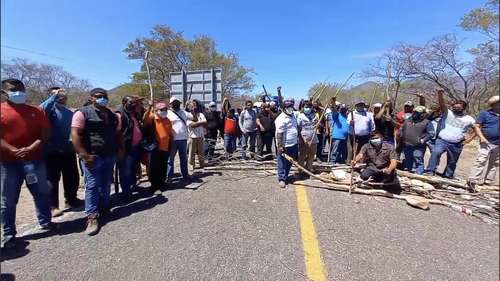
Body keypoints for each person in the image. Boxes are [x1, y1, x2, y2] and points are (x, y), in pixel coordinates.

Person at [1, 79, 52, 248]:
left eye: (21, 89)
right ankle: (8, 233)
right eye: (13, 89)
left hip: (35, 159)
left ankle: (46, 222)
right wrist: (11, 149)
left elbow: (44, 133)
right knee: (8, 200)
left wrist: (31, 147)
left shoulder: (36, 110)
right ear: (4, 92)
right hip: (8, 163)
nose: (18, 92)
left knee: (42, 192)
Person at [71, 88, 120, 236]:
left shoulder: (111, 115)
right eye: (98, 97)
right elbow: (75, 134)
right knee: (92, 185)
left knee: (106, 183)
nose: (102, 99)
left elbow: (116, 134)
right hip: (92, 157)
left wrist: (118, 149)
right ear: (91, 98)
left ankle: (104, 209)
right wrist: (84, 155)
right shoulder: (82, 113)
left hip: (109, 155)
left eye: (104, 96)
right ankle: (92, 217)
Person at [40, 87, 81, 217]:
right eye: (58, 94)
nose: (63, 96)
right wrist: (54, 97)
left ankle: (71, 200)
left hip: (68, 150)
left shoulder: (69, 112)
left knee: (72, 177)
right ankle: (53, 206)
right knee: (52, 180)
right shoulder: (48, 110)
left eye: (63, 94)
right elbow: (41, 109)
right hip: (51, 151)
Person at [426, 90, 475, 178]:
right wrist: (440, 94)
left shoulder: (469, 119)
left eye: (458, 108)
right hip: (442, 140)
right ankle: (430, 171)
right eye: (454, 107)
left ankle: (448, 175)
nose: (455, 109)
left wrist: (469, 140)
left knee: (452, 161)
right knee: (435, 152)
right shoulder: (448, 113)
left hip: (457, 143)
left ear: (463, 108)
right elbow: (442, 104)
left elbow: (477, 128)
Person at [467, 96, 500, 191]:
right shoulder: (485, 114)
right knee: (481, 160)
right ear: (493, 104)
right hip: (486, 142)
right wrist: (482, 137)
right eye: (498, 103)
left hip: (498, 144)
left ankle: (488, 181)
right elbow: (477, 126)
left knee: (495, 163)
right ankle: (472, 180)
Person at [115, 96, 143, 201]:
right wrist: (120, 149)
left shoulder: (133, 113)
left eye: (134, 103)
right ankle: (126, 194)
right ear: (124, 102)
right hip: (125, 148)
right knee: (125, 171)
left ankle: (132, 187)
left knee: (132, 169)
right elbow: (117, 133)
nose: (134, 104)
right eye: (131, 102)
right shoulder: (120, 114)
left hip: (135, 147)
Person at [143, 102, 173, 192]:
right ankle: (154, 185)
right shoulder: (152, 118)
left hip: (165, 147)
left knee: (163, 166)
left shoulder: (167, 120)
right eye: (161, 110)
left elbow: (170, 134)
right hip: (155, 148)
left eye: (165, 109)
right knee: (154, 167)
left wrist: (170, 145)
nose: (164, 111)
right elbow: (144, 120)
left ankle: (162, 183)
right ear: (156, 111)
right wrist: (149, 107)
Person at [400, 106, 435, 174]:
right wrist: (402, 136)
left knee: (418, 159)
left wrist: (423, 140)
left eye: (419, 113)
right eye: (415, 112)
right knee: (408, 159)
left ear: (423, 114)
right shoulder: (408, 120)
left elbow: (431, 133)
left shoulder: (426, 122)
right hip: (407, 144)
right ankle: (408, 173)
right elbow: (402, 129)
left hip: (418, 145)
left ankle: (419, 173)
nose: (416, 114)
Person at [275, 99, 299, 188]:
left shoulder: (293, 116)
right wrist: (280, 146)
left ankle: (286, 176)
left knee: (290, 162)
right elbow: (279, 133)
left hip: (293, 143)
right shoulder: (281, 118)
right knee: (282, 162)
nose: (290, 108)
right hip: (285, 145)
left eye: (291, 106)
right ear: (284, 108)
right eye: (288, 107)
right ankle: (281, 179)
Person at [167, 97, 190, 182]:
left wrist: (193, 109)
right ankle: (169, 177)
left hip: (183, 139)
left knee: (183, 158)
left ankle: (185, 175)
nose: (176, 104)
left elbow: (193, 118)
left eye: (178, 102)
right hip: (173, 140)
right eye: (174, 102)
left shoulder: (184, 112)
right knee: (170, 159)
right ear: (171, 104)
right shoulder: (168, 113)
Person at [297, 100, 318, 175]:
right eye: (306, 107)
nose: (307, 108)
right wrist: (303, 139)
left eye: (308, 107)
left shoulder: (315, 115)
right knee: (302, 154)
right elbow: (298, 129)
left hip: (313, 138)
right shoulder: (300, 116)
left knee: (312, 154)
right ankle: (300, 169)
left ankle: (309, 168)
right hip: (304, 139)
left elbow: (316, 124)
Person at [327, 99, 349, 165]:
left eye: (345, 109)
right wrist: (333, 103)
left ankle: (340, 161)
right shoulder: (336, 115)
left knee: (342, 150)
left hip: (345, 136)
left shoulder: (348, 116)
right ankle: (332, 161)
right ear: (340, 109)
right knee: (335, 149)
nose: (343, 110)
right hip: (337, 136)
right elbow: (333, 110)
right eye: (342, 108)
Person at [187, 100, 207, 170]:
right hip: (193, 136)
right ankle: (192, 165)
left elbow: (205, 122)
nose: (194, 107)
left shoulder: (201, 114)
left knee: (201, 151)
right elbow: (192, 125)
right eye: (192, 106)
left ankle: (202, 163)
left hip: (200, 136)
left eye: (195, 105)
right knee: (192, 152)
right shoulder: (188, 115)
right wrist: (201, 123)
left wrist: (198, 123)